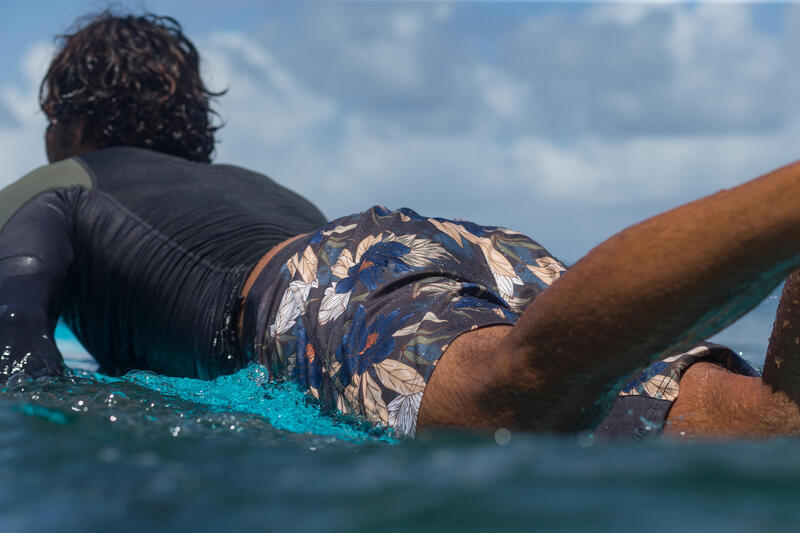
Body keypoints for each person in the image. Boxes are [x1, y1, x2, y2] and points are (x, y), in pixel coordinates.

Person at [2, 11, 800, 441]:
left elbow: (16, 345)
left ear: (67, 127)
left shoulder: (55, 181)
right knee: (764, 423)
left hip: (320, 279)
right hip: (415, 248)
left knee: (499, 407)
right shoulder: (261, 189)